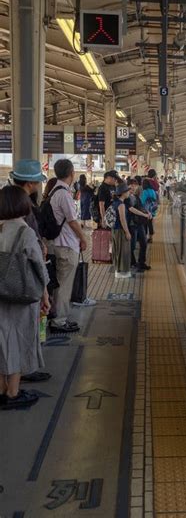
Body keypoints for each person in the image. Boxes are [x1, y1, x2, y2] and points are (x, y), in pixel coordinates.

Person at [0, 186, 50, 410]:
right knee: (19, 339)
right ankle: (13, 391)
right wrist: (45, 295)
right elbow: (39, 268)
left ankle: (1, 389)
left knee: (1, 341)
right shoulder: (26, 232)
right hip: (22, 296)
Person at [49, 159, 95, 334]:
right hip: (66, 246)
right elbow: (72, 221)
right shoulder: (63, 193)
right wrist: (83, 238)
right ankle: (59, 321)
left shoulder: (56, 190)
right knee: (64, 286)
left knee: (61, 284)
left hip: (61, 244)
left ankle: (58, 317)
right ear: (71, 173)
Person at [128, 178, 151, 272]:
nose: (133, 187)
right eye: (131, 185)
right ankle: (132, 263)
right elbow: (132, 209)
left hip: (139, 223)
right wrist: (144, 214)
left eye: (135, 185)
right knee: (132, 245)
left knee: (144, 243)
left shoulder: (136, 196)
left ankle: (141, 263)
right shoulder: (126, 197)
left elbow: (141, 207)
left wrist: (147, 212)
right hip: (131, 224)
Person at [111, 182, 133, 279]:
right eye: (127, 191)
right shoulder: (121, 205)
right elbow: (122, 219)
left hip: (115, 230)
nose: (129, 192)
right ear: (123, 193)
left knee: (117, 250)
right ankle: (122, 272)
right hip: (120, 230)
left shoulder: (115, 202)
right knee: (123, 251)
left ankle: (117, 270)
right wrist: (127, 232)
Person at [141, 179, 158, 244]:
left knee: (145, 225)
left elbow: (142, 202)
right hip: (153, 210)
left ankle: (145, 238)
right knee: (150, 224)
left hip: (146, 211)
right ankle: (151, 238)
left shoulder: (145, 191)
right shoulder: (153, 191)